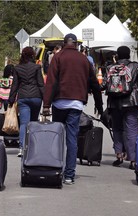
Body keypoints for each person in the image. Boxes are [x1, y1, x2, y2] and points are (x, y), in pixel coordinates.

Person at [42, 33, 103, 185]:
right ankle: (69, 175)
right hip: (76, 104)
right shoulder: (84, 60)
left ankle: (56, 169)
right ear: (76, 44)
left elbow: (51, 82)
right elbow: (95, 83)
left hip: (59, 104)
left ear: (63, 43)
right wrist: (99, 105)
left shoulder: (58, 57)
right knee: (72, 139)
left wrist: (46, 105)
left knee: (58, 138)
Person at [101, 46, 138, 170]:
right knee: (131, 130)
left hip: (114, 103)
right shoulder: (135, 66)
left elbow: (103, 85)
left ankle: (119, 155)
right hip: (132, 103)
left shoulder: (110, 68)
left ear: (117, 55)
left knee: (117, 128)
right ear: (129, 55)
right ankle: (133, 159)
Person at [8, 46, 44, 157]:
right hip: (36, 97)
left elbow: (15, 85)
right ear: (33, 55)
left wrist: (11, 100)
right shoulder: (37, 68)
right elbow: (41, 84)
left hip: (23, 97)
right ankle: (32, 147)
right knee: (33, 123)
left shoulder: (18, 68)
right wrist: (47, 101)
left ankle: (22, 148)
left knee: (24, 124)